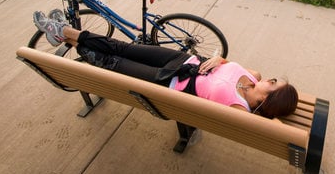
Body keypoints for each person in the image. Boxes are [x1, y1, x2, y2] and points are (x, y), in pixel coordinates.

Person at [33, 10, 298, 119]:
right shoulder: (253, 77)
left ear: (268, 99)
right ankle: (64, 31)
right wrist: (219, 59)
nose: (270, 79)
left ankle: (64, 34)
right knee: (122, 47)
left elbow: (263, 123)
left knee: (114, 61)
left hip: (165, 82)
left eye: (274, 85)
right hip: (182, 60)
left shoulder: (239, 109)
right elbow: (230, 66)